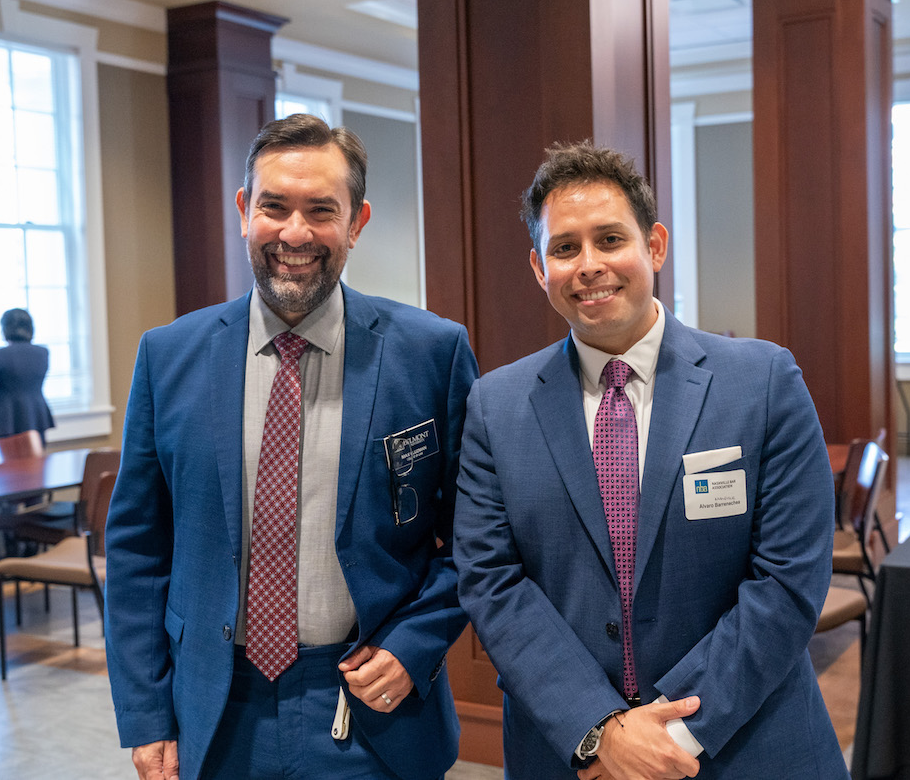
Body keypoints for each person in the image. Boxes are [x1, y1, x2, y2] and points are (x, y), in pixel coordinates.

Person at [452, 141, 846, 780]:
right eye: (564, 248)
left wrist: (676, 731)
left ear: (654, 246)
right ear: (537, 266)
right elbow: (491, 580)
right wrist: (599, 729)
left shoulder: (763, 381)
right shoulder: (496, 406)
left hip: (743, 744)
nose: (589, 265)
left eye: (610, 239)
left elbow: (790, 578)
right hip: (573, 752)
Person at [104, 114, 478, 780]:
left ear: (357, 222)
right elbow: (137, 550)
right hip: (213, 711)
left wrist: (414, 642)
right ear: (246, 211)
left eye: (321, 210)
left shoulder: (432, 353)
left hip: (371, 707)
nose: (295, 233)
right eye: (274, 206)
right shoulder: (168, 356)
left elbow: (477, 540)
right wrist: (146, 711)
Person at [0, 307, 54, 440]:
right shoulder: (42, 353)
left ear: (5, 328)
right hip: (36, 418)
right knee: (38, 460)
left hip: (4, 422)